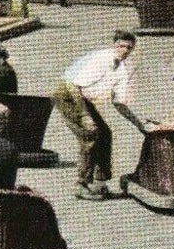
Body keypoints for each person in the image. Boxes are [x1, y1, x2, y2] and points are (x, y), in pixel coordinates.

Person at [52, 29, 155, 200]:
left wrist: (140, 125)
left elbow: (119, 103)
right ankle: (81, 184)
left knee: (105, 134)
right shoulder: (101, 59)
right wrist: (85, 116)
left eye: (129, 48)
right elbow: (73, 86)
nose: (125, 51)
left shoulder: (122, 70)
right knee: (90, 134)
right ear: (114, 45)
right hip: (68, 95)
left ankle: (100, 182)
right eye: (121, 46)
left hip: (82, 97)